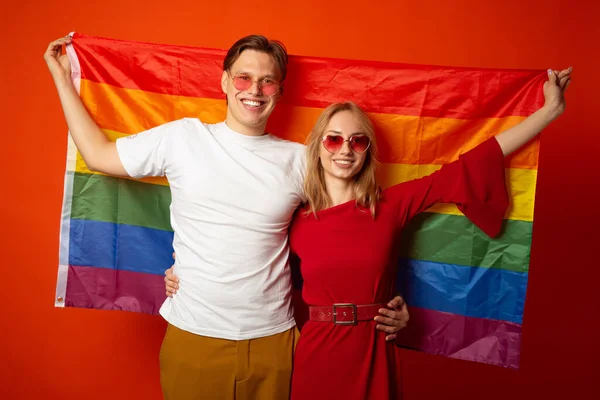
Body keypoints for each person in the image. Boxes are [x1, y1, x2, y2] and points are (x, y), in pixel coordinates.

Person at [165, 65, 572, 399]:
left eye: (358, 142)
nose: (345, 149)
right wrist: (184, 275)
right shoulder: (296, 216)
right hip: (313, 353)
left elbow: (473, 164)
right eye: (335, 138)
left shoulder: (392, 205)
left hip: (373, 350)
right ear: (319, 146)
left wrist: (548, 112)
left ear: (367, 153)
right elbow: (243, 251)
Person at [44, 33, 409, 400]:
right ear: (224, 81)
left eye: (268, 81)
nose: (255, 89)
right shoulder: (182, 139)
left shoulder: (300, 160)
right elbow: (97, 155)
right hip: (194, 337)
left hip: (274, 343)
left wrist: (383, 305)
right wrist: (62, 78)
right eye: (243, 77)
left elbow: (352, 230)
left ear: (279, 92)